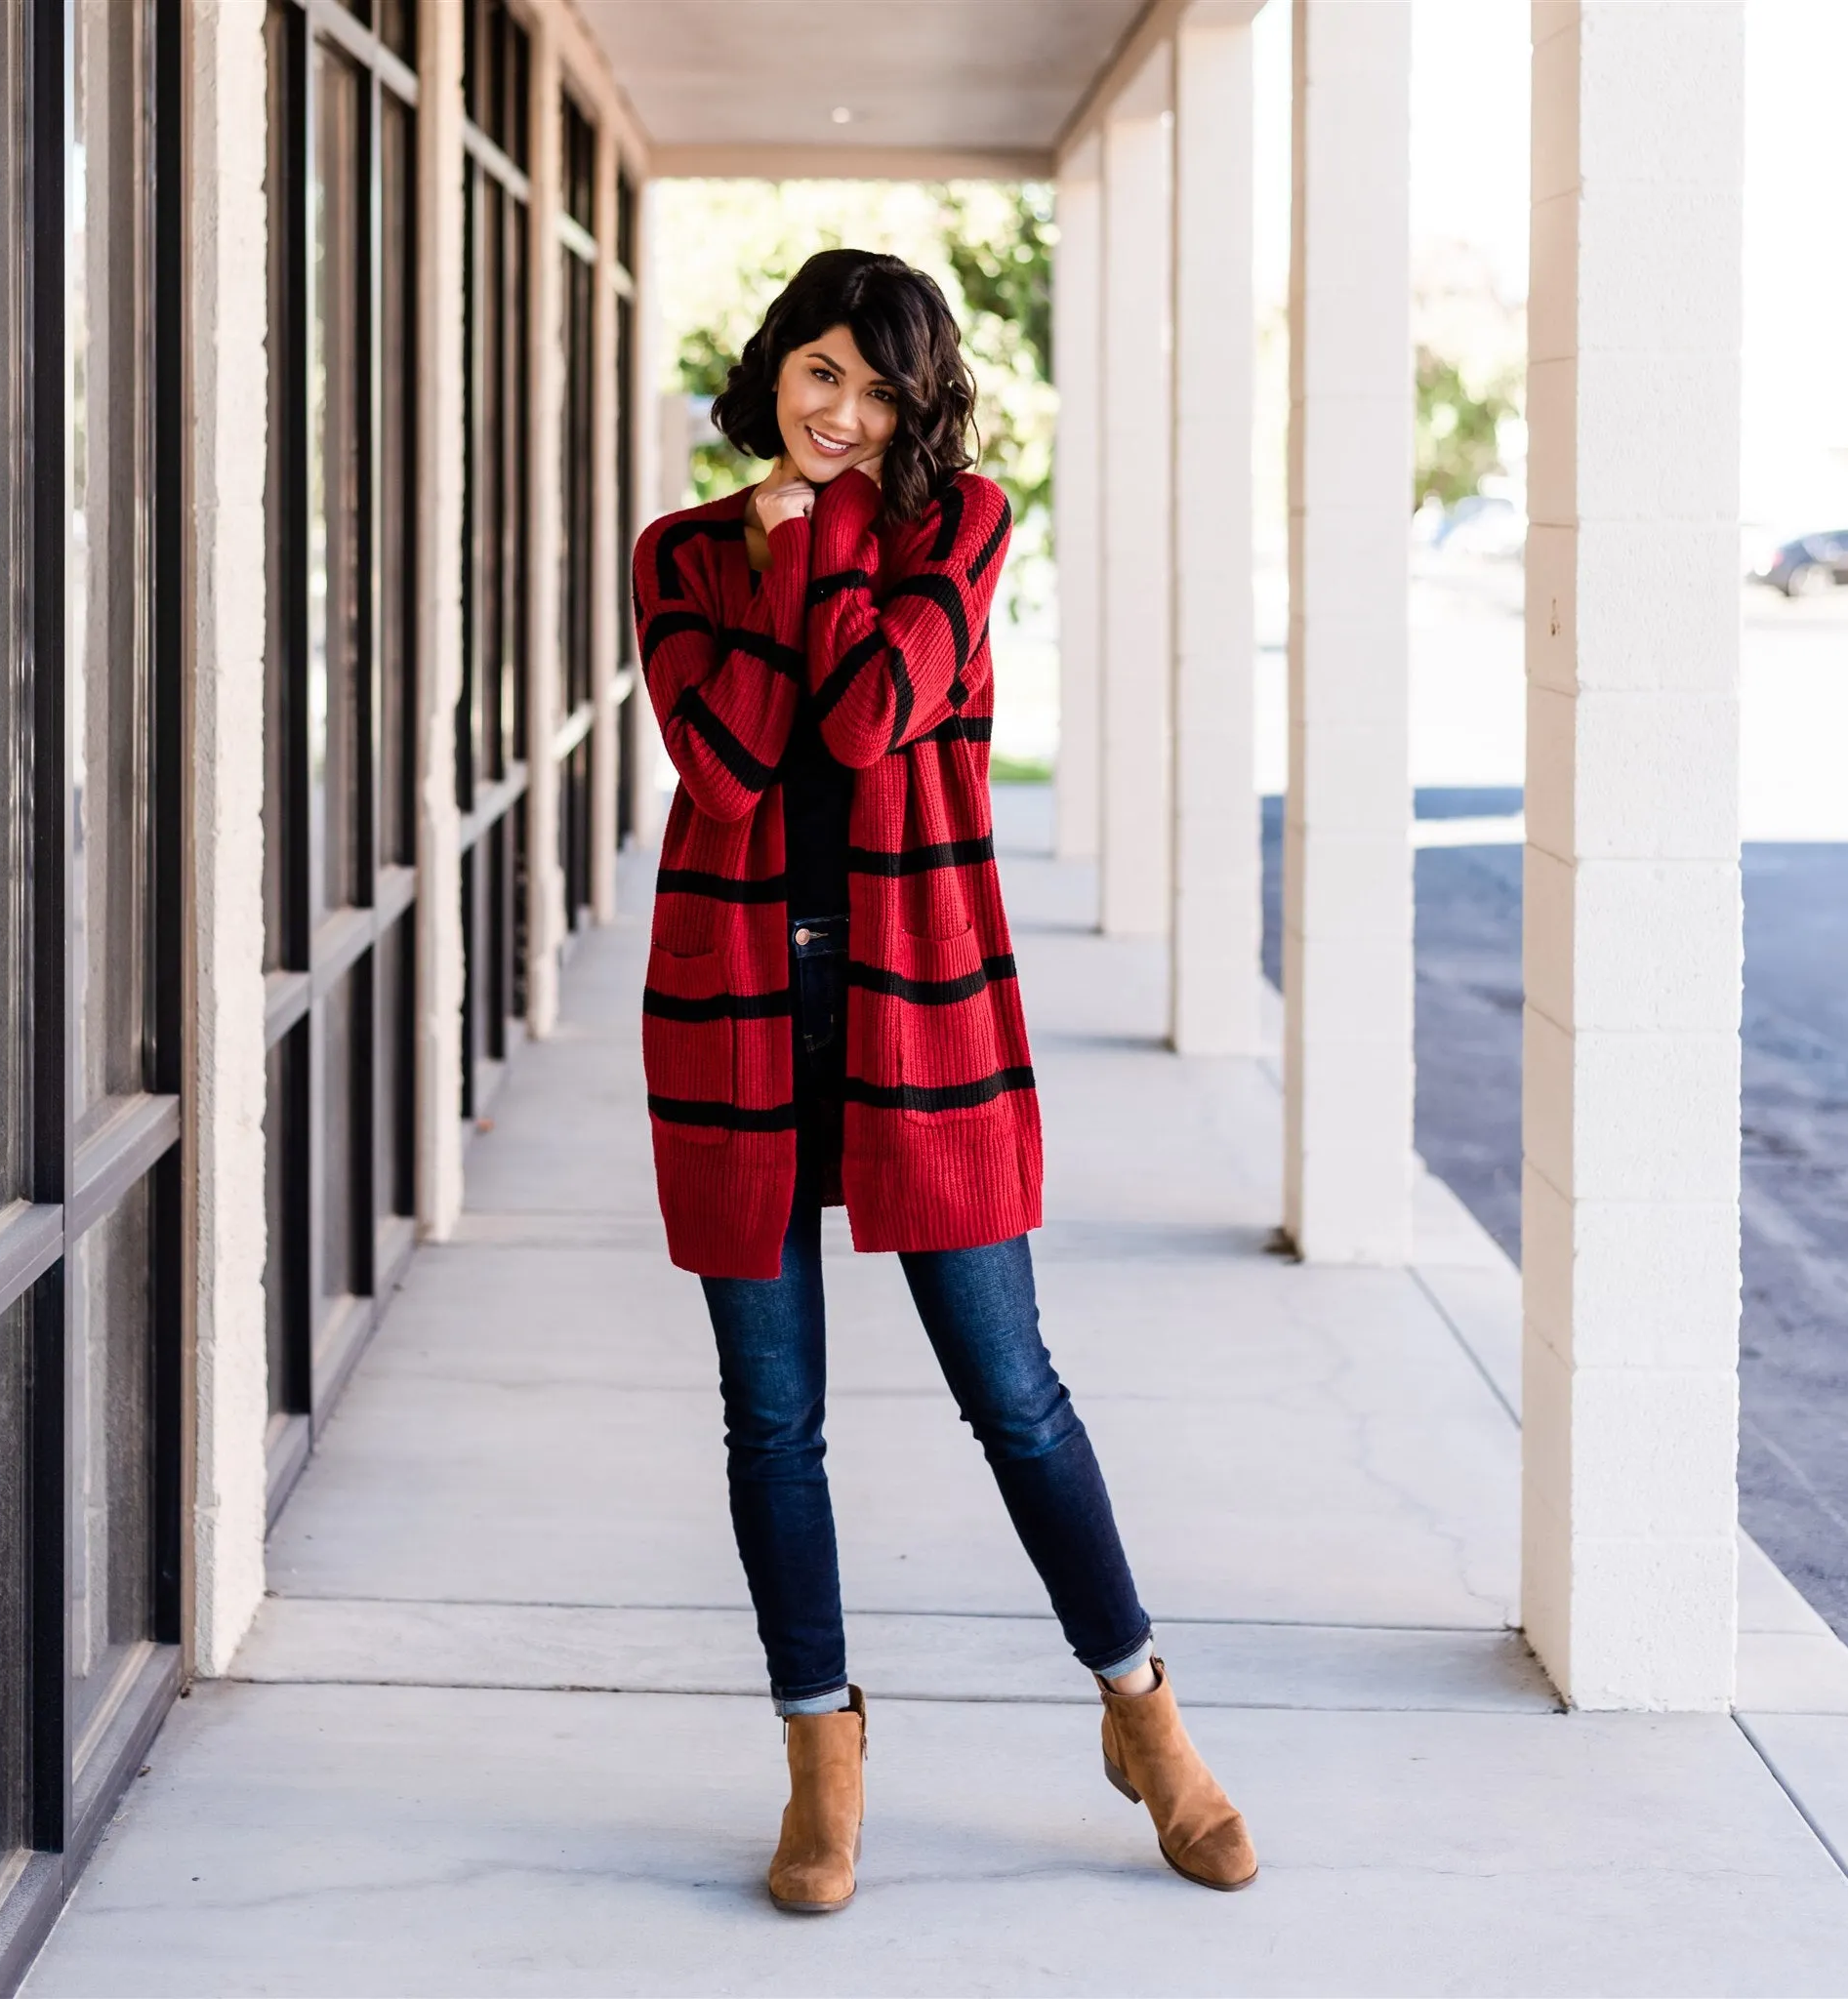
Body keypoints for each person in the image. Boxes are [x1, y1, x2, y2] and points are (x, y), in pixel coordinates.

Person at [631, 248, 1256, 1912]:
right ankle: (819, 1760)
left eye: (880, 388)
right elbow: (728, 757)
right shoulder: (682, 554)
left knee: (1016, 1394)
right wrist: (779, 557)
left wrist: (818, 542)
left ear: (920, 407)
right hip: (742, 1015)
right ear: (775, 369)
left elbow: (860, 721)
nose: (844, 413)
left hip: (927, 1014)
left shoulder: (960, 533)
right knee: (772, 1424)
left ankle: (1146, 1720)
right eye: (821, 373)